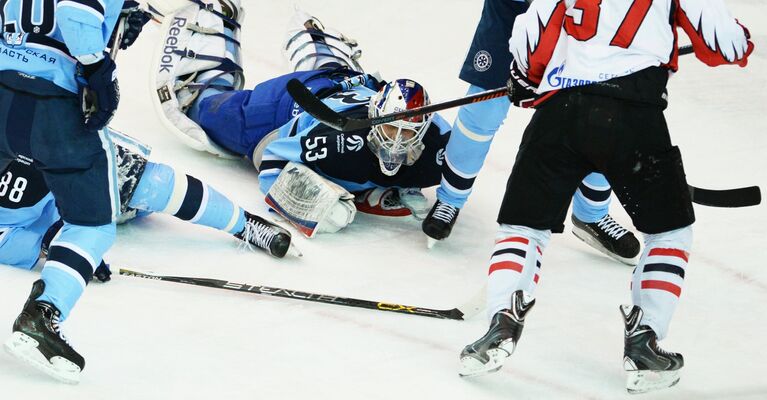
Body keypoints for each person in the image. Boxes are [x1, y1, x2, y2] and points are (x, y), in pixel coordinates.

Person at [458, 0, 753, 394]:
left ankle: (501, 323)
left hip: (561, 114)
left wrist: (525, 77)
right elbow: (726, 43)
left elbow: (532, 31)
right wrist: (742, 42)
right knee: (669, 234)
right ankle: (644, 343)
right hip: (632, 117)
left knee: (522, 227)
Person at [153, 4, 450, 237]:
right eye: (390, 127)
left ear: (424, 126)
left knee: (335, 74)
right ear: (374, 116)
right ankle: (214, 40)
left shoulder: (439, 142)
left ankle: (318, 44)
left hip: (346, 84)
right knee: (205, 110)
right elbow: (272, 161)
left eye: (408, 132)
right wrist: (315, 204)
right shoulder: (336, 141)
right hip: (285, 108)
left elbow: (468, 157)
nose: (397, 140)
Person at [0, 0, 152, 383]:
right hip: (55, 107)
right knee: (92, 225)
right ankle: (43, 314)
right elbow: (76, 12)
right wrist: (98, 67)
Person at [420, 0, 640, 263]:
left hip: (588, 15)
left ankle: (592, 214)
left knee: (604, 110)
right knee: (485, 106)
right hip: (515, 11)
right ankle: (450, 199)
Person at [0, 128, 297, 278]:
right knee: (141, 193)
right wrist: (64, 250)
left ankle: (245, 224)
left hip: (71, 156)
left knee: (152, 182)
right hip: (73, 214)